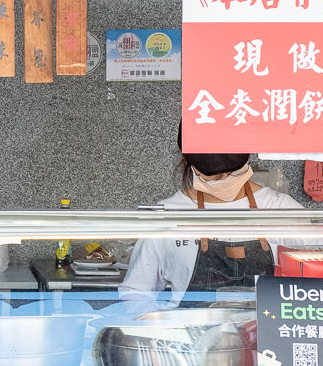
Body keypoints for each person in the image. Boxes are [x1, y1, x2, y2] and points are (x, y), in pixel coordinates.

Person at [119, 126, 305, 305]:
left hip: (267, 333)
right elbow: (135, 294)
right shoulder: (167, 215)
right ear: (190, 163)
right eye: (214, 174)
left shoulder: (281, 209)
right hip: (193, 332)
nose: (225, 177)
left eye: (234, 170)